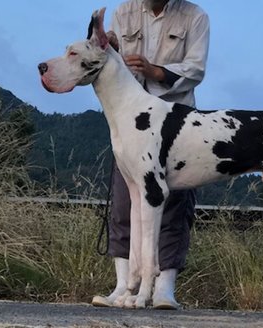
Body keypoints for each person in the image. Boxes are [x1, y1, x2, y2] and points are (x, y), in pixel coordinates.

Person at [92, 0, 210, 310]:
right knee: (123, 202)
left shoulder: (195, 16)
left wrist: (155, 71)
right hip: (132, 120)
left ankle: (164, 288)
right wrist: (112, 47)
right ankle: (123, 285)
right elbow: (107, 60)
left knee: (174, 206)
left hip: (178, 120)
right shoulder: (123, 12)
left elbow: (196, 69)